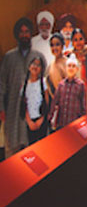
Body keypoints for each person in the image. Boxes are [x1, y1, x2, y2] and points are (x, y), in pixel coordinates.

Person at [0, 18, 46, 158]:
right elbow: (1, 85)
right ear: (16, 35)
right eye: (21, 32)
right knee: (12, 152)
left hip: (33, 114)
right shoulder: (9, 58)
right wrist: (1, 108)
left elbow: (44, 90)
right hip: (13, 112)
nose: (24, 35)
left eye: (27, 32)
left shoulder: (39, 57)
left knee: (33, 154)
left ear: (31, 34)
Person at [48, 54, 86, 130]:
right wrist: (50, 116)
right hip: (62, 122)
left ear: (77, 69)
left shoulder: (80, 85)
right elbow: (55, 102)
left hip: (75, 122)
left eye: (73, 66)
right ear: (65, 68)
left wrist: (83, 121)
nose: (71, 68)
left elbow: (83, 105)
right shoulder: (61, 85)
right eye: (69, 66)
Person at [20, 57, 49, 145]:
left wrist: (41, 119)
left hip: (41, 120)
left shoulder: (43, 82)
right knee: (32, 145)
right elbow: (24, 104)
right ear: (29, 67)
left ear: (41, 69)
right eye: (33, 64)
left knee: (43, 144)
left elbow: (46, 102)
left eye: (38, 65)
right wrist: (29, 121)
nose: (35, 67)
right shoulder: (25, 85)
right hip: (30, 121)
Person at [46, 33, 67, 101]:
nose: (54, 48)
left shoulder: (69, 63)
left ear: (63, 45)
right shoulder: (50, 66)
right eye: (52, 45)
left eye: (57, 44)